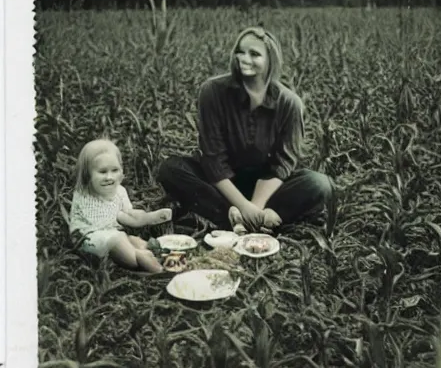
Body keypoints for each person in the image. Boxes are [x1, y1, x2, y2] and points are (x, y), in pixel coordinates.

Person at [156, 26, 336, 235]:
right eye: (240, 52)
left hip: (266, 188)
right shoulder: (212, 91)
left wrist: (254, 207)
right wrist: (243, 206)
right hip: (221, 184)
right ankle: (244, 219)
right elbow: (213, 160)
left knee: (320, 184)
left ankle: (251, 218)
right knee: (170, 169)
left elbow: (281, 164)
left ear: (271, 60)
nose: (244, 58)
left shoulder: (289, 103)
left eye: (254, 54)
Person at [69, 139, 173, 273]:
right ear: (87, 175)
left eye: (114, 170)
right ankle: (149, 263)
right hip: (87, 238)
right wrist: (119, 224)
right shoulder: (84, 194)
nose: (109, 177)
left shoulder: (120, 191)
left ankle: (151, 253)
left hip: (113, 235)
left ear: (121, 171)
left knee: (132, 239)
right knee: (119, 240)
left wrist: (147, 218)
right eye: (102, 172)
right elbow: (99, 223)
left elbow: (127, 215)